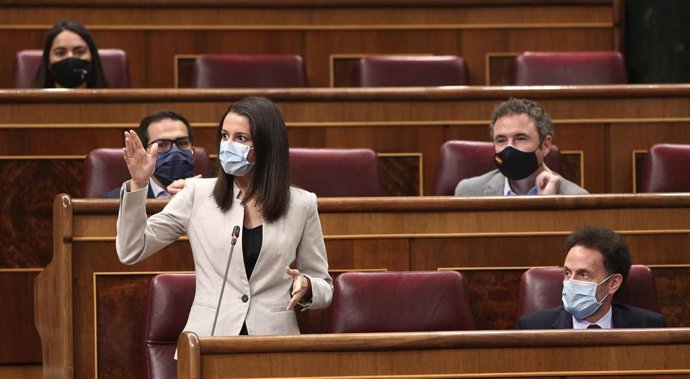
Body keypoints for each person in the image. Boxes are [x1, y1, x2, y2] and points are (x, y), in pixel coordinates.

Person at [116, 96, 333, 336]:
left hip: (275, 342)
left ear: (266, 146)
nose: (228, 145)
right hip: (209, 339)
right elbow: (131, 249)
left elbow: (324, 286)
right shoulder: (196, 195)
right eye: (224, 136)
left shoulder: (302, 204)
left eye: (240, 138)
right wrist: (138, 184)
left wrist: (308, 286)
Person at [516, 225, 666, 329]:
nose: (571, 282)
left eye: (583, 274)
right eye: (567, 273)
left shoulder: (650, 326)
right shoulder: (533, 327)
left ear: (613, 283)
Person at [454, 98, 588, 196]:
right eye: (501, 140)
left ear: (545, 145)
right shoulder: (468, 192)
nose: (510, 148)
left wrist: (547, 204)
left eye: (520, 138)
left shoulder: (575, 197)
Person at [102, 110, 198, 198]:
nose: (175, 152)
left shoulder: (210, 195)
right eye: (161, 145)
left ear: (193, 150)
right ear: (144, 153)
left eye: (183, 143)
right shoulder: (117, 201)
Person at [33, 20, 109, 88]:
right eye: (60, 53)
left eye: (80, 52)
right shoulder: (31, 103)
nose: (70, 57)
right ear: (48, 62)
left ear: (92, 57)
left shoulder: (111, 103)